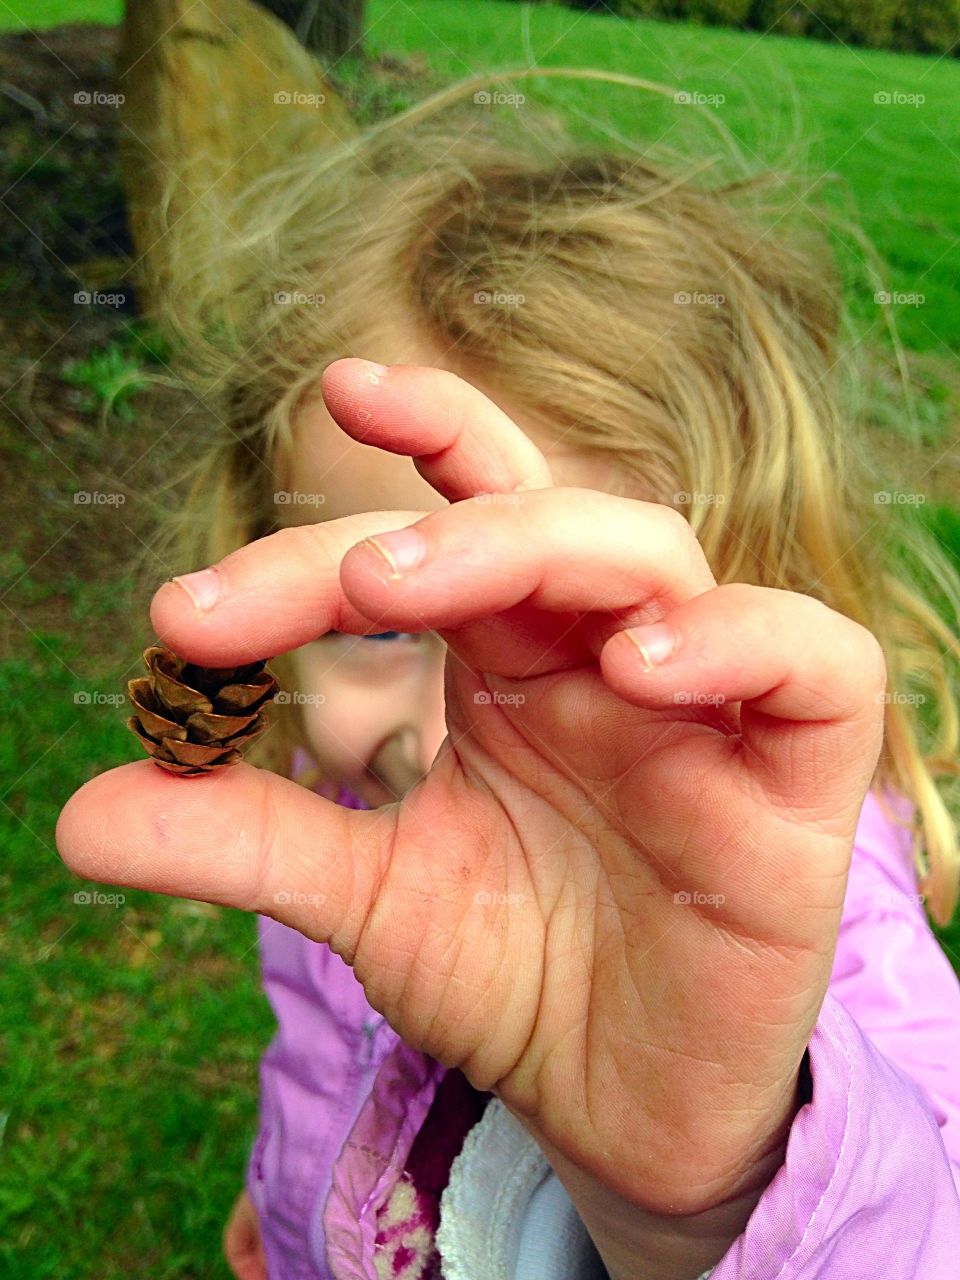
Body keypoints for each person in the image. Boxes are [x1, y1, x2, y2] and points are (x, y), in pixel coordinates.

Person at [56, 71, 960, 1280]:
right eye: (377, 628)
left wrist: (708, 1200)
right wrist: (289, 1196)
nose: (451, 742)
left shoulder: (815, 917)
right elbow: (322, 1058)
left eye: (574, 661)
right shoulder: (335, 819)